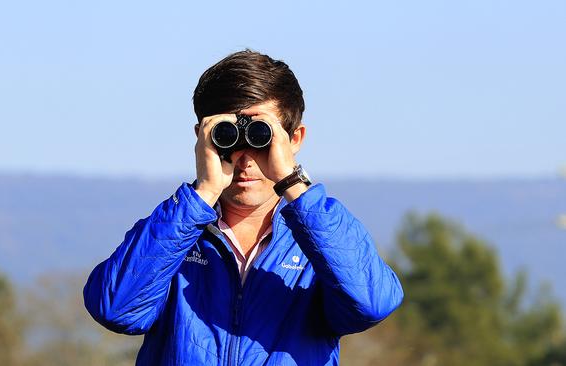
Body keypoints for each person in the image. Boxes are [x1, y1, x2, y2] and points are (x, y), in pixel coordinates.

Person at [83, 50, 404, 365]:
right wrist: (203, 193)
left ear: (295, 139)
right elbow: (117, 310)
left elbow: (370, 305)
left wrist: (291, 183)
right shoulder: (175, 233)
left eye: (261, 136)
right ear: (201, 137)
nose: (245, 158)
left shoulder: (322, 241)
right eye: (228, 136)